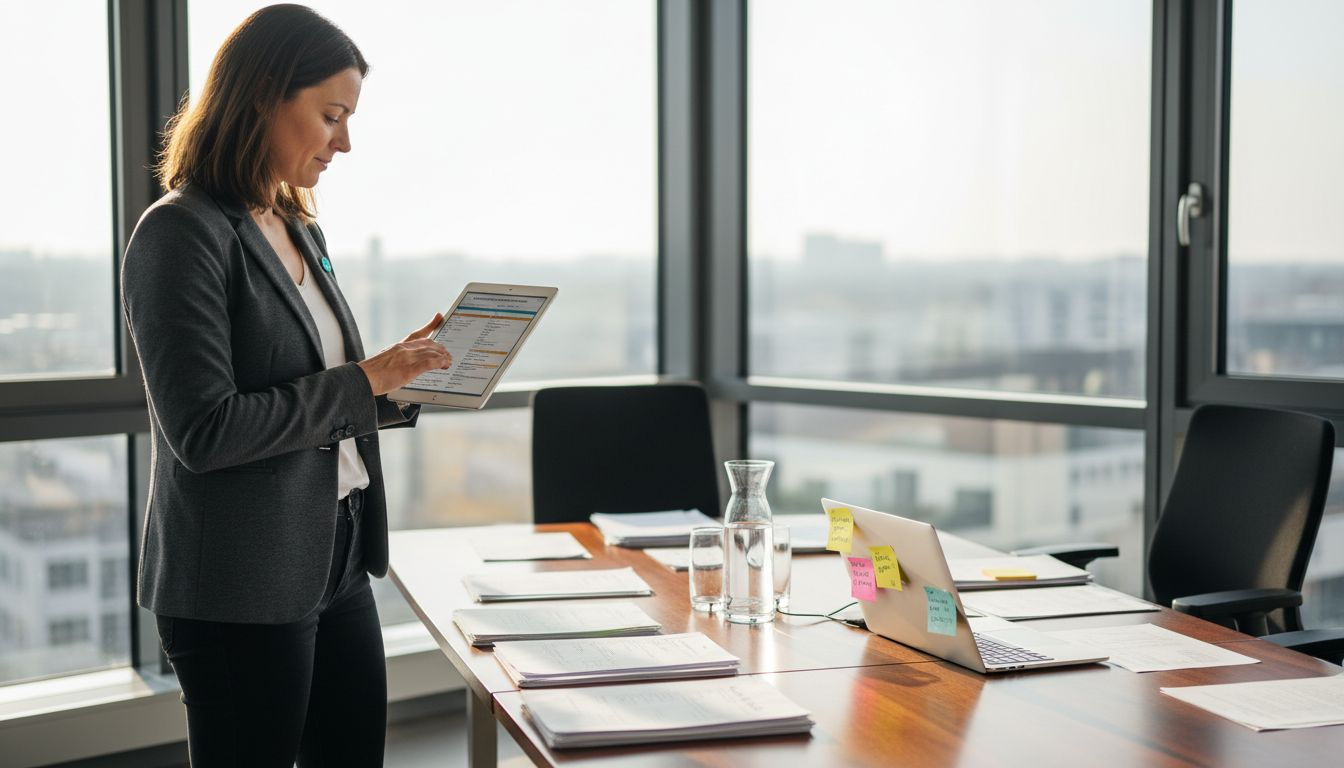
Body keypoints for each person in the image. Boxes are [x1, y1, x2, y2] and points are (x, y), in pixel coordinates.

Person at [120, 5, 449, 765]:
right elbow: (205, 431)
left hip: (335, 557)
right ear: (265, 93)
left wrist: (408, 379)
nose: (346, 141)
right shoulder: (180, 233)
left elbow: (323, 386)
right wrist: (365, 380)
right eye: (331, 115)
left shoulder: (299, 226)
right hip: (241, 581)